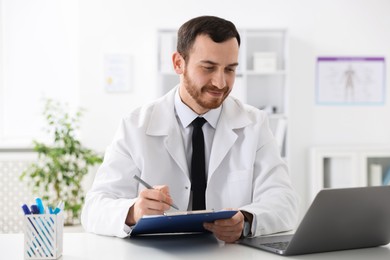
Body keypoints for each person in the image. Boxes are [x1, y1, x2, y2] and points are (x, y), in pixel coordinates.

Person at [81, 15, 299, 243]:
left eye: (230, 70)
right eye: (208, 68)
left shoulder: (254, 124)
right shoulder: (135, 125)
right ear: (178, 63)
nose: (221, 83)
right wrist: (133, 211)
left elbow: (284, 201)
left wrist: (246, 219)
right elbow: (94, 208)